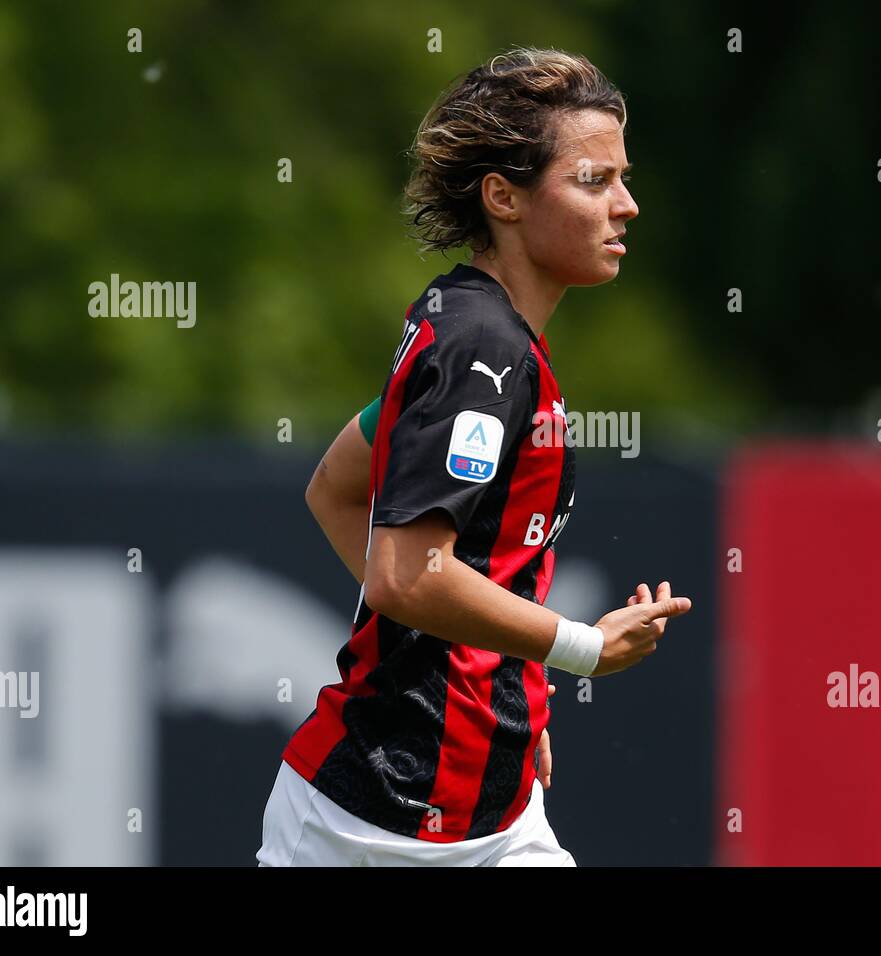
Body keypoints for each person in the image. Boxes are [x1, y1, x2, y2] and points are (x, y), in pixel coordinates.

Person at [257, 46, 691, 867]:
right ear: (504, 197)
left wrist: (496, 688)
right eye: (595, 181)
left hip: (494, 816)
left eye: (623, 179)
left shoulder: (481, 331)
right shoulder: (480, 348)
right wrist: (584, 649)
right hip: (367, 824)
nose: (627, 205)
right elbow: (407, 572)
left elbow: (336, 490)